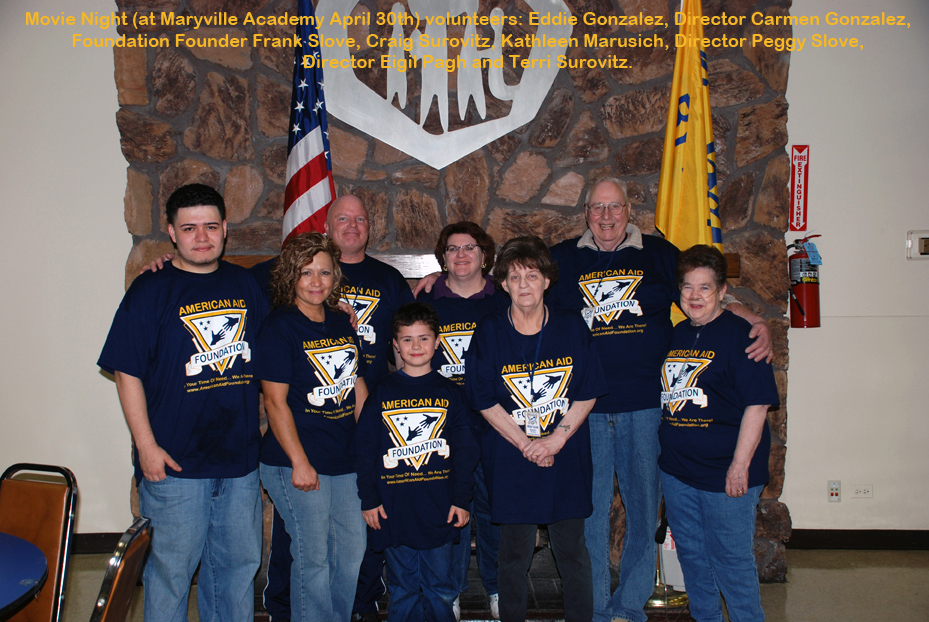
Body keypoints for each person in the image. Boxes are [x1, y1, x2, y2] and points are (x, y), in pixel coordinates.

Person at [546, 177, 772, 622]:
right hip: (585, 410)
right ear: (586, 213)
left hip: (647, 408)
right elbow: (517, 288)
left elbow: (704, 292)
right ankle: (595, 609)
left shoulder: (659, 254)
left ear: (629, 210)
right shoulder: (562, 258)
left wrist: (754, 319)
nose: (606, 216)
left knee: (644, 512)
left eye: (615, 206)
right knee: (588, 513)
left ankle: (630, 606)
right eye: (597, 207)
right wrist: (441, 278)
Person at [98, 183, 268, 621]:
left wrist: (338, 309)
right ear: (172, 233)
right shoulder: (149, 290)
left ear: (225, 228)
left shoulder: (246, 284)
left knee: (235, 573)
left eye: (210, 226)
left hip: (239, 464)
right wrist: (146, 447)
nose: (202, 237)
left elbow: (294, 318)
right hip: (173, 466)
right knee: (170, 576)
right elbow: (126, 372)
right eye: (189, 228)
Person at [466, 236, 606, 622]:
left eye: (532, 275)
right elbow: (482, 398)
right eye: (514, 277)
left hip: (565, 457)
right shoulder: (490, 331)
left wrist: (555, 440)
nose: (523, 284)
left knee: (572, 553)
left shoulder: (571, 326)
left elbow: (589, 390)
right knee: (512, 555)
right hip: (512, 459)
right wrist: (528, 444)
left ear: (547, 280)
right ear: (503, 284)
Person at [658, 245, 778, 622]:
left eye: (705, 287)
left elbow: (757, 405)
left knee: (731, 561)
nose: (695, 295)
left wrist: (739, 467)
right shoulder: (677, 334)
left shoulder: (743, 336)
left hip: (726, 473)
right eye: (688, 287)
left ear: (722, 291)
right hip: (678, 472)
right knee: (693, 558)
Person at [256, 232, 369, 622]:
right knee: (313, 555)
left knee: (351, 551)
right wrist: (300, 462)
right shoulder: (279, 327)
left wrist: (370, 444)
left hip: (345, 458)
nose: (316, 281)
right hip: (296, 461)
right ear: (291, 276)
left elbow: (356, 385)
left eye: (324, 272)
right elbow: (274, 402)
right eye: (306, 273)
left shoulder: (341, 322)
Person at [355, 302, 480, 622]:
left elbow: (466, 451)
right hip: (394, 510)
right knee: (403, 588)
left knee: (440, 588)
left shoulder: (451, 393)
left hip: (440, 509)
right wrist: (369, 499)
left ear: (437, 342)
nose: (416, 346)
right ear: (395, 345)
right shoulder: (381, 392)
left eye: (424, 338)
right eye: (407, 339)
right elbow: (365, 449)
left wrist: (461, 499)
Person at [416, 221, 509, 618]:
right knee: (451, 510)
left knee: (492, 510)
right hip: (444, 426)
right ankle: (449, 590)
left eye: (470, 247)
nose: (461, 254)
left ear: (485, 256)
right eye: (452, 248)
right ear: (443, 258)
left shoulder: (503, 299)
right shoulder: (427, 300)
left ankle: (497, 589)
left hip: (495, 423)